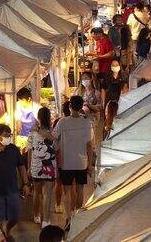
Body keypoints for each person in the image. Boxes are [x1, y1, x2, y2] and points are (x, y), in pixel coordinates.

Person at [53, 96, 94, 224]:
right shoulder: (87, 123)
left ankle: (68, 218)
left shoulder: (62, 122)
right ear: (81, 106)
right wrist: (90, 163)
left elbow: (54, 138)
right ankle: (77, 215)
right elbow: (89, 145)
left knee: (67, 191)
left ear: (70, 106)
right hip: (81, 162)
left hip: (66, 162)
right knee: (80, 189)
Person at [26, 107, 56, 228]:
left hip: (36, 165)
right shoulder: (53, 131)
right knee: (47, 193)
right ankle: (46, 220)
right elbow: (57, 147)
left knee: (37, 192)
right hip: (49, 165)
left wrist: (29, 167)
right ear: (49, 118)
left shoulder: (32, 132)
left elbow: (29, 151)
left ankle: (36, 215)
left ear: (38, 118)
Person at [52, 101, 71, 214]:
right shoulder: (79, 122)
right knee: (71, 185)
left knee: (59, 182)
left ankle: (58, 205)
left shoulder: (59, 122)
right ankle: (72, 208)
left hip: (60, 155)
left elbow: (53, 138)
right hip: (73, 156)